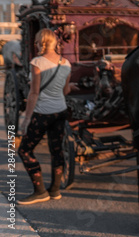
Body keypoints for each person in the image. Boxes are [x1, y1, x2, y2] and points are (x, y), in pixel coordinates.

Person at [17, 28, 77, 205]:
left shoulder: (37, 62)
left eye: (36, 42)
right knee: (56, 150)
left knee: (25, 150)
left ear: (40, 43)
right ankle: (55, 190)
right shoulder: (66, 63)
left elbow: (34, 93)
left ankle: (40, 191)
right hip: (60, 112)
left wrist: (26, 119)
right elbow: (65, 91)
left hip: (42, 113)